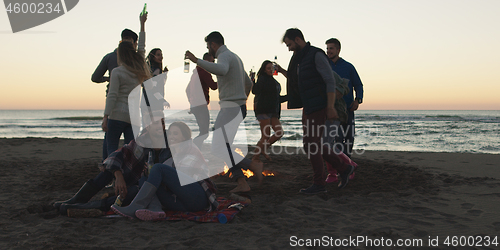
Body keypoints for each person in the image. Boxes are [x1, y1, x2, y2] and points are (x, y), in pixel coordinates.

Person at [276, 28, 356, 194]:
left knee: (312, 145)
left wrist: (331, 106)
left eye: (289, 44)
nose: (289, 48)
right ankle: (344, 168)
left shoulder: (315, 54)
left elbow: (328, 80)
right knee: (312, 144)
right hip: (308, 106)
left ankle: (320, 183)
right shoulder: (299, 59)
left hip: (319, 105)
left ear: (298, 39)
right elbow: (296, 80)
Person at [185, 31, 262, 193]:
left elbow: (221, 70)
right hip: (238, 107)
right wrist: (242, 100)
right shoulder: (236, 57)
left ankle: (251, 166)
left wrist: (196, 60)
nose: (209, 49)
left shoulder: (224, 56)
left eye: (208, 46)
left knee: (218, 148)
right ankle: (242, 180)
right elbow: (248, 84)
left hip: (230, 107)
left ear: (213, 45)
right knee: (224, 147)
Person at [53, 122, 172, 215]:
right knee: (110, 171)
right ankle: (76, 200)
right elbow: (118, 154)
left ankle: (84, 206)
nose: (160, 126)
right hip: (137, 180)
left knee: (135, 191)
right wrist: (118, 175)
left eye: (162, 122)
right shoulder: (141, 142)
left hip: (153, 188)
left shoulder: (170, 143)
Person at [111, 122, 218, 220]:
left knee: (158, 168)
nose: (171, 136)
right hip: (182, 203)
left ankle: (135, 206)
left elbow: (183, 179)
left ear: (185, 136)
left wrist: (159, 177)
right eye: (170, 133)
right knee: (144, 177)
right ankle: (155, 209)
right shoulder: (175, 152)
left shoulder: (190, 149)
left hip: (197, 197)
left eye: (175, 134)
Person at [91, 13, 147, 161]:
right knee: (130, 149)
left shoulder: (115, 69)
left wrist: (105, 117)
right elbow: (142, 48)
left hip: (116, 113)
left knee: (111, 148)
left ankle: (110, 174)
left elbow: (112, 95)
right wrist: (142, 24)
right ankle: (128, 177)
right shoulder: (138, 69)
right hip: (133, 116)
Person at [325, 38, 364, 158]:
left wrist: (358, 100)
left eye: (331, 48)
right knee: (334, 138)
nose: (328, 51)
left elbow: (358, 85)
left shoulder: (348, 67)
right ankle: (338, 165)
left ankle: (347, 163)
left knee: (348, 138)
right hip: (331, 108)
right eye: (327, 49)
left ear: (338, 49)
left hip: (348, 108)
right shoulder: (325, 67)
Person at [251, 60, 284, 162]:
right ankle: (255, 158)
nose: (271, 70)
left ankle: (263, 149)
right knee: (265, 136)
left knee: (279, 132)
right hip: (263, 110)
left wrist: (291, 97)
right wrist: (252, 79)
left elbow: (277, 98)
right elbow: (255, 90)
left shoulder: (274, 81)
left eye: (272, 68)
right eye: (268, 68)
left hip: (273, 111)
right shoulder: (263, 78)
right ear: (264, 70)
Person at [186, 53, 218, 149]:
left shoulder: (195, 73)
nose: (213, 64)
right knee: (204, 133)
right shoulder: (204, 72)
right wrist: (223, 79)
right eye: (212, 62)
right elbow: (213, 86)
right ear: (207, 62)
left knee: (203, 132)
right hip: (201, 106)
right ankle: (192, 149)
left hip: (195, 106)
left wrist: (191, 103)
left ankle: (195, 150)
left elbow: (187, 90)